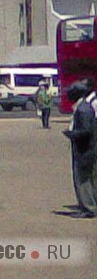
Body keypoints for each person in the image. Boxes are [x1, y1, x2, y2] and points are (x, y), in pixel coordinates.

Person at [63, 79, 97, 217]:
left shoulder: (83, 109)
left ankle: (89, 208)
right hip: (87, 148)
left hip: (85, 149)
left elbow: (86, 130)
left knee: (83, 179)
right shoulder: (84, 107)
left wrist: (72, 134)